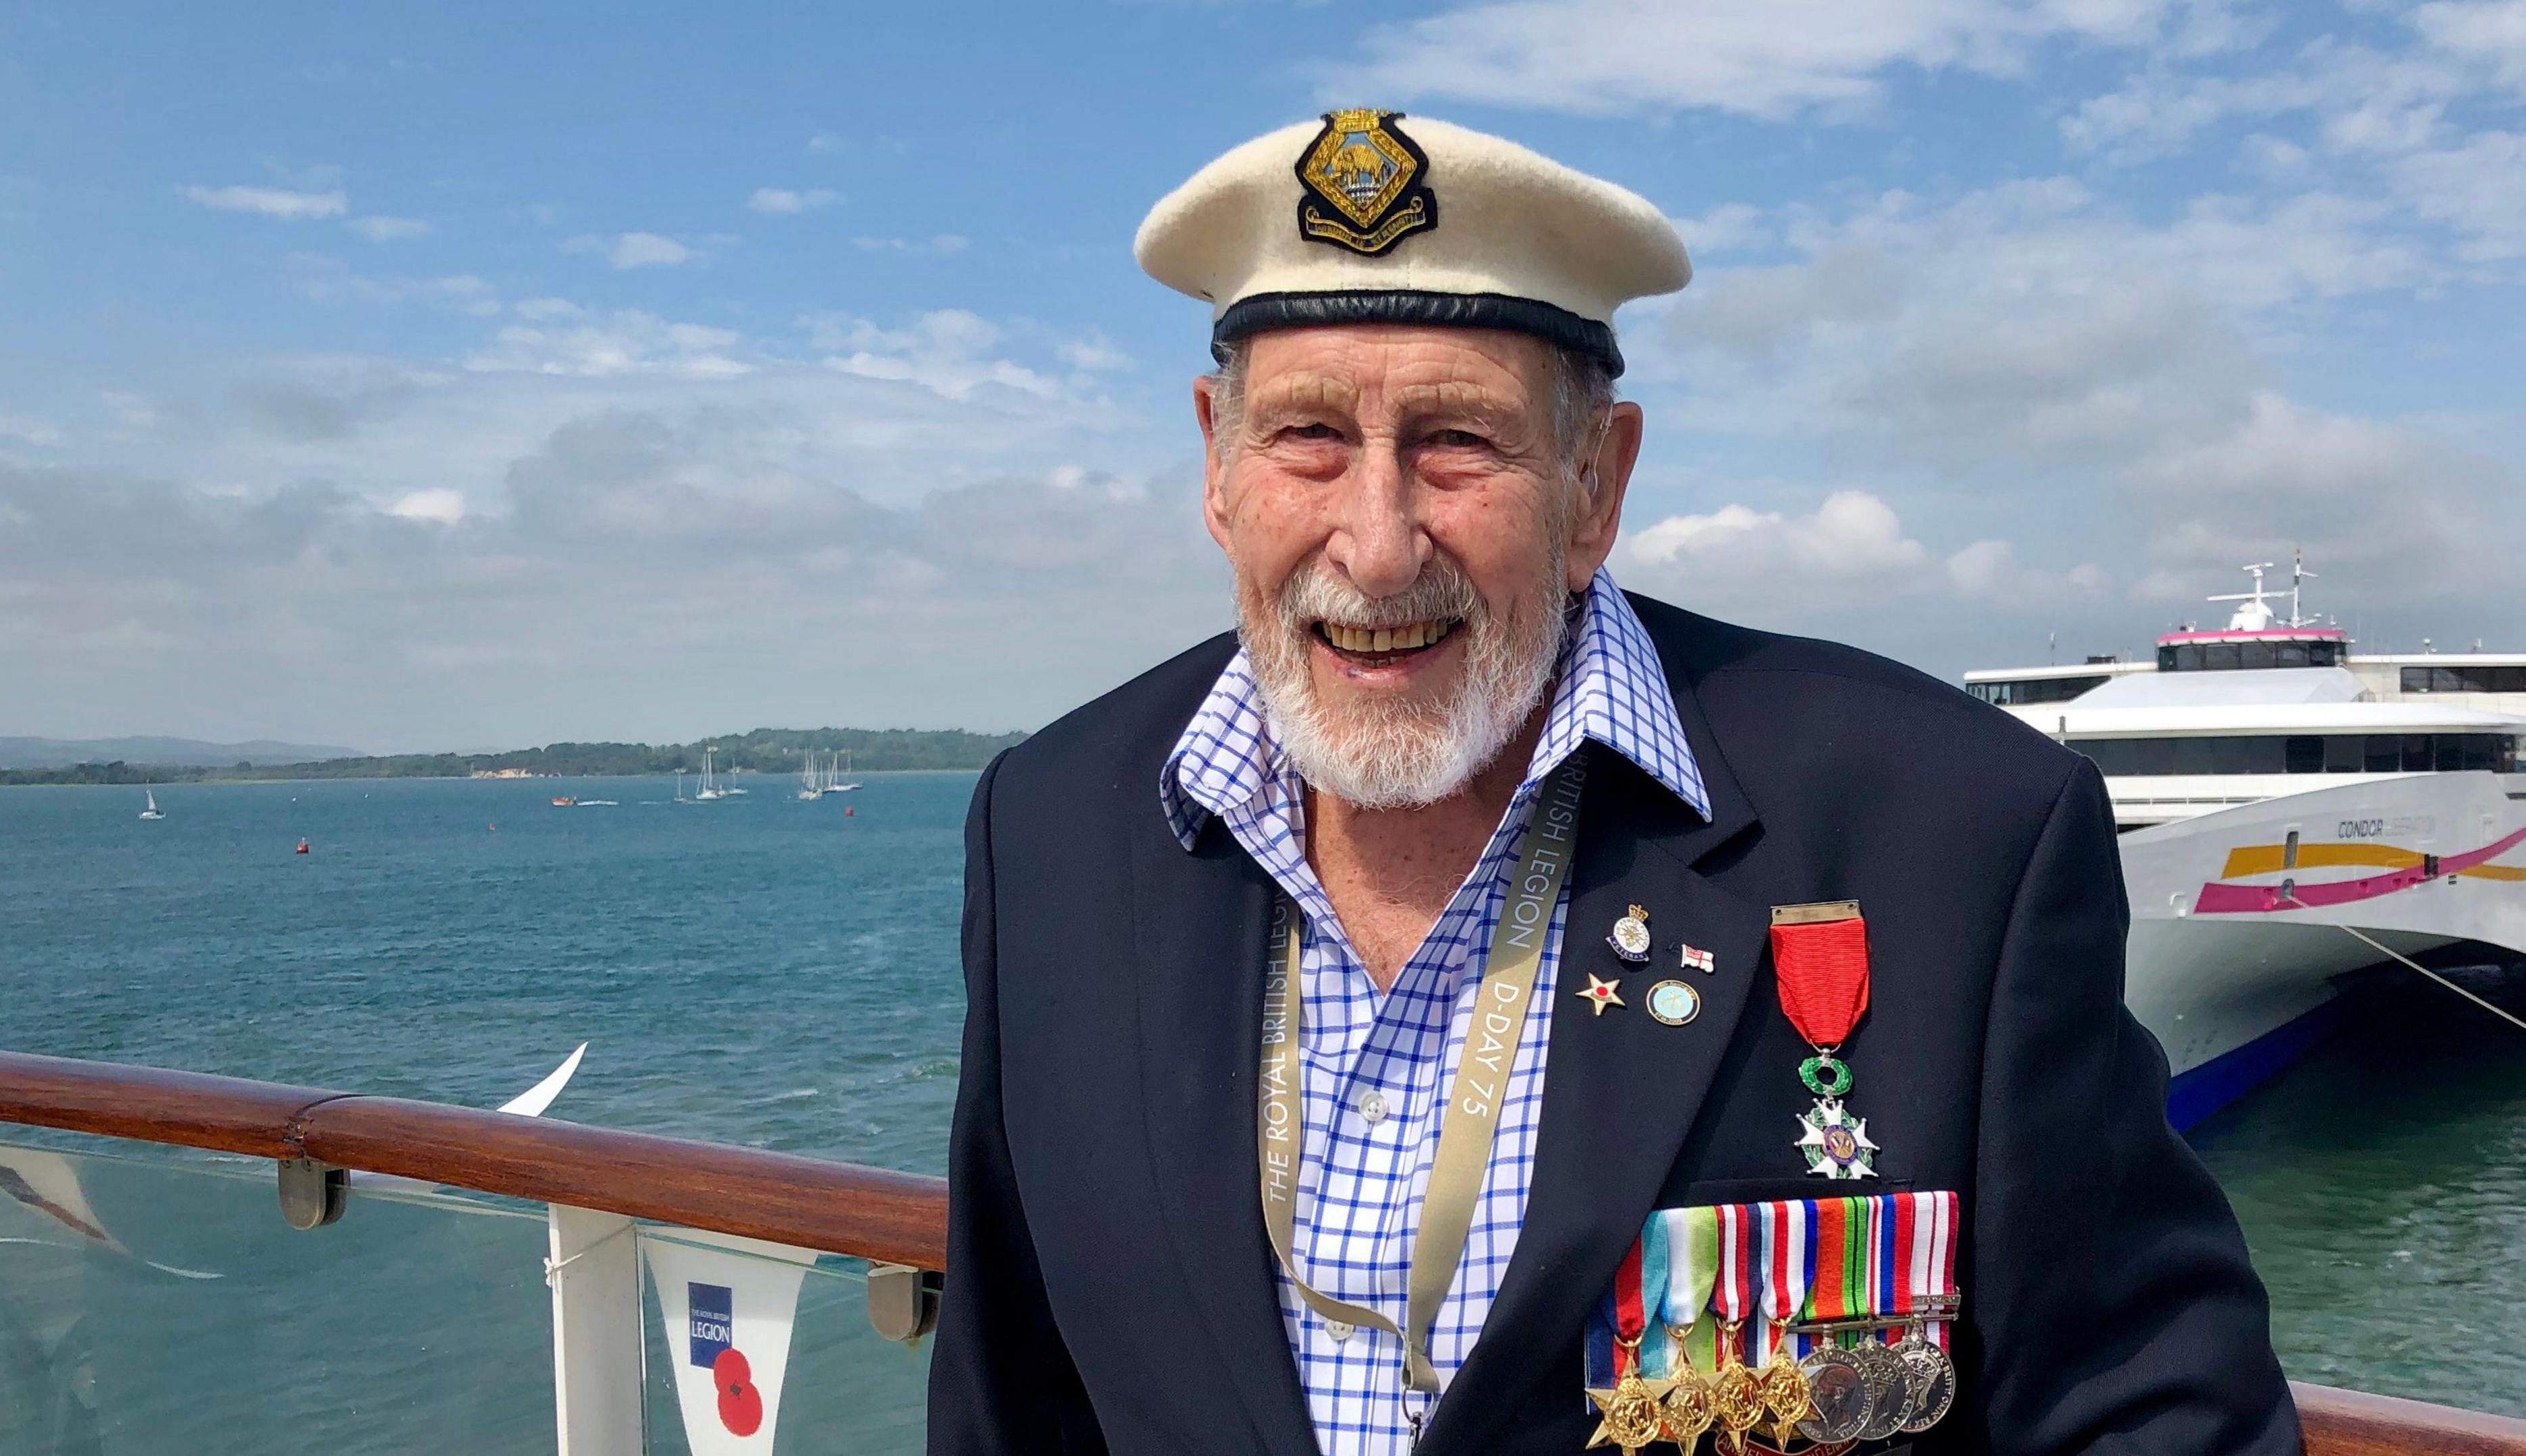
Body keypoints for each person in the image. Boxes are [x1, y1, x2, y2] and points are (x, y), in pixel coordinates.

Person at [928, 111, 2299, 1456]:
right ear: (1218, 467)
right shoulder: (1049, 831)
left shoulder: (1954, 830)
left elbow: (2155, 1413)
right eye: (1309, 440)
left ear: (1596, 483)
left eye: (1458, 442)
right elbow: (1011, 1399)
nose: (1381, 540)